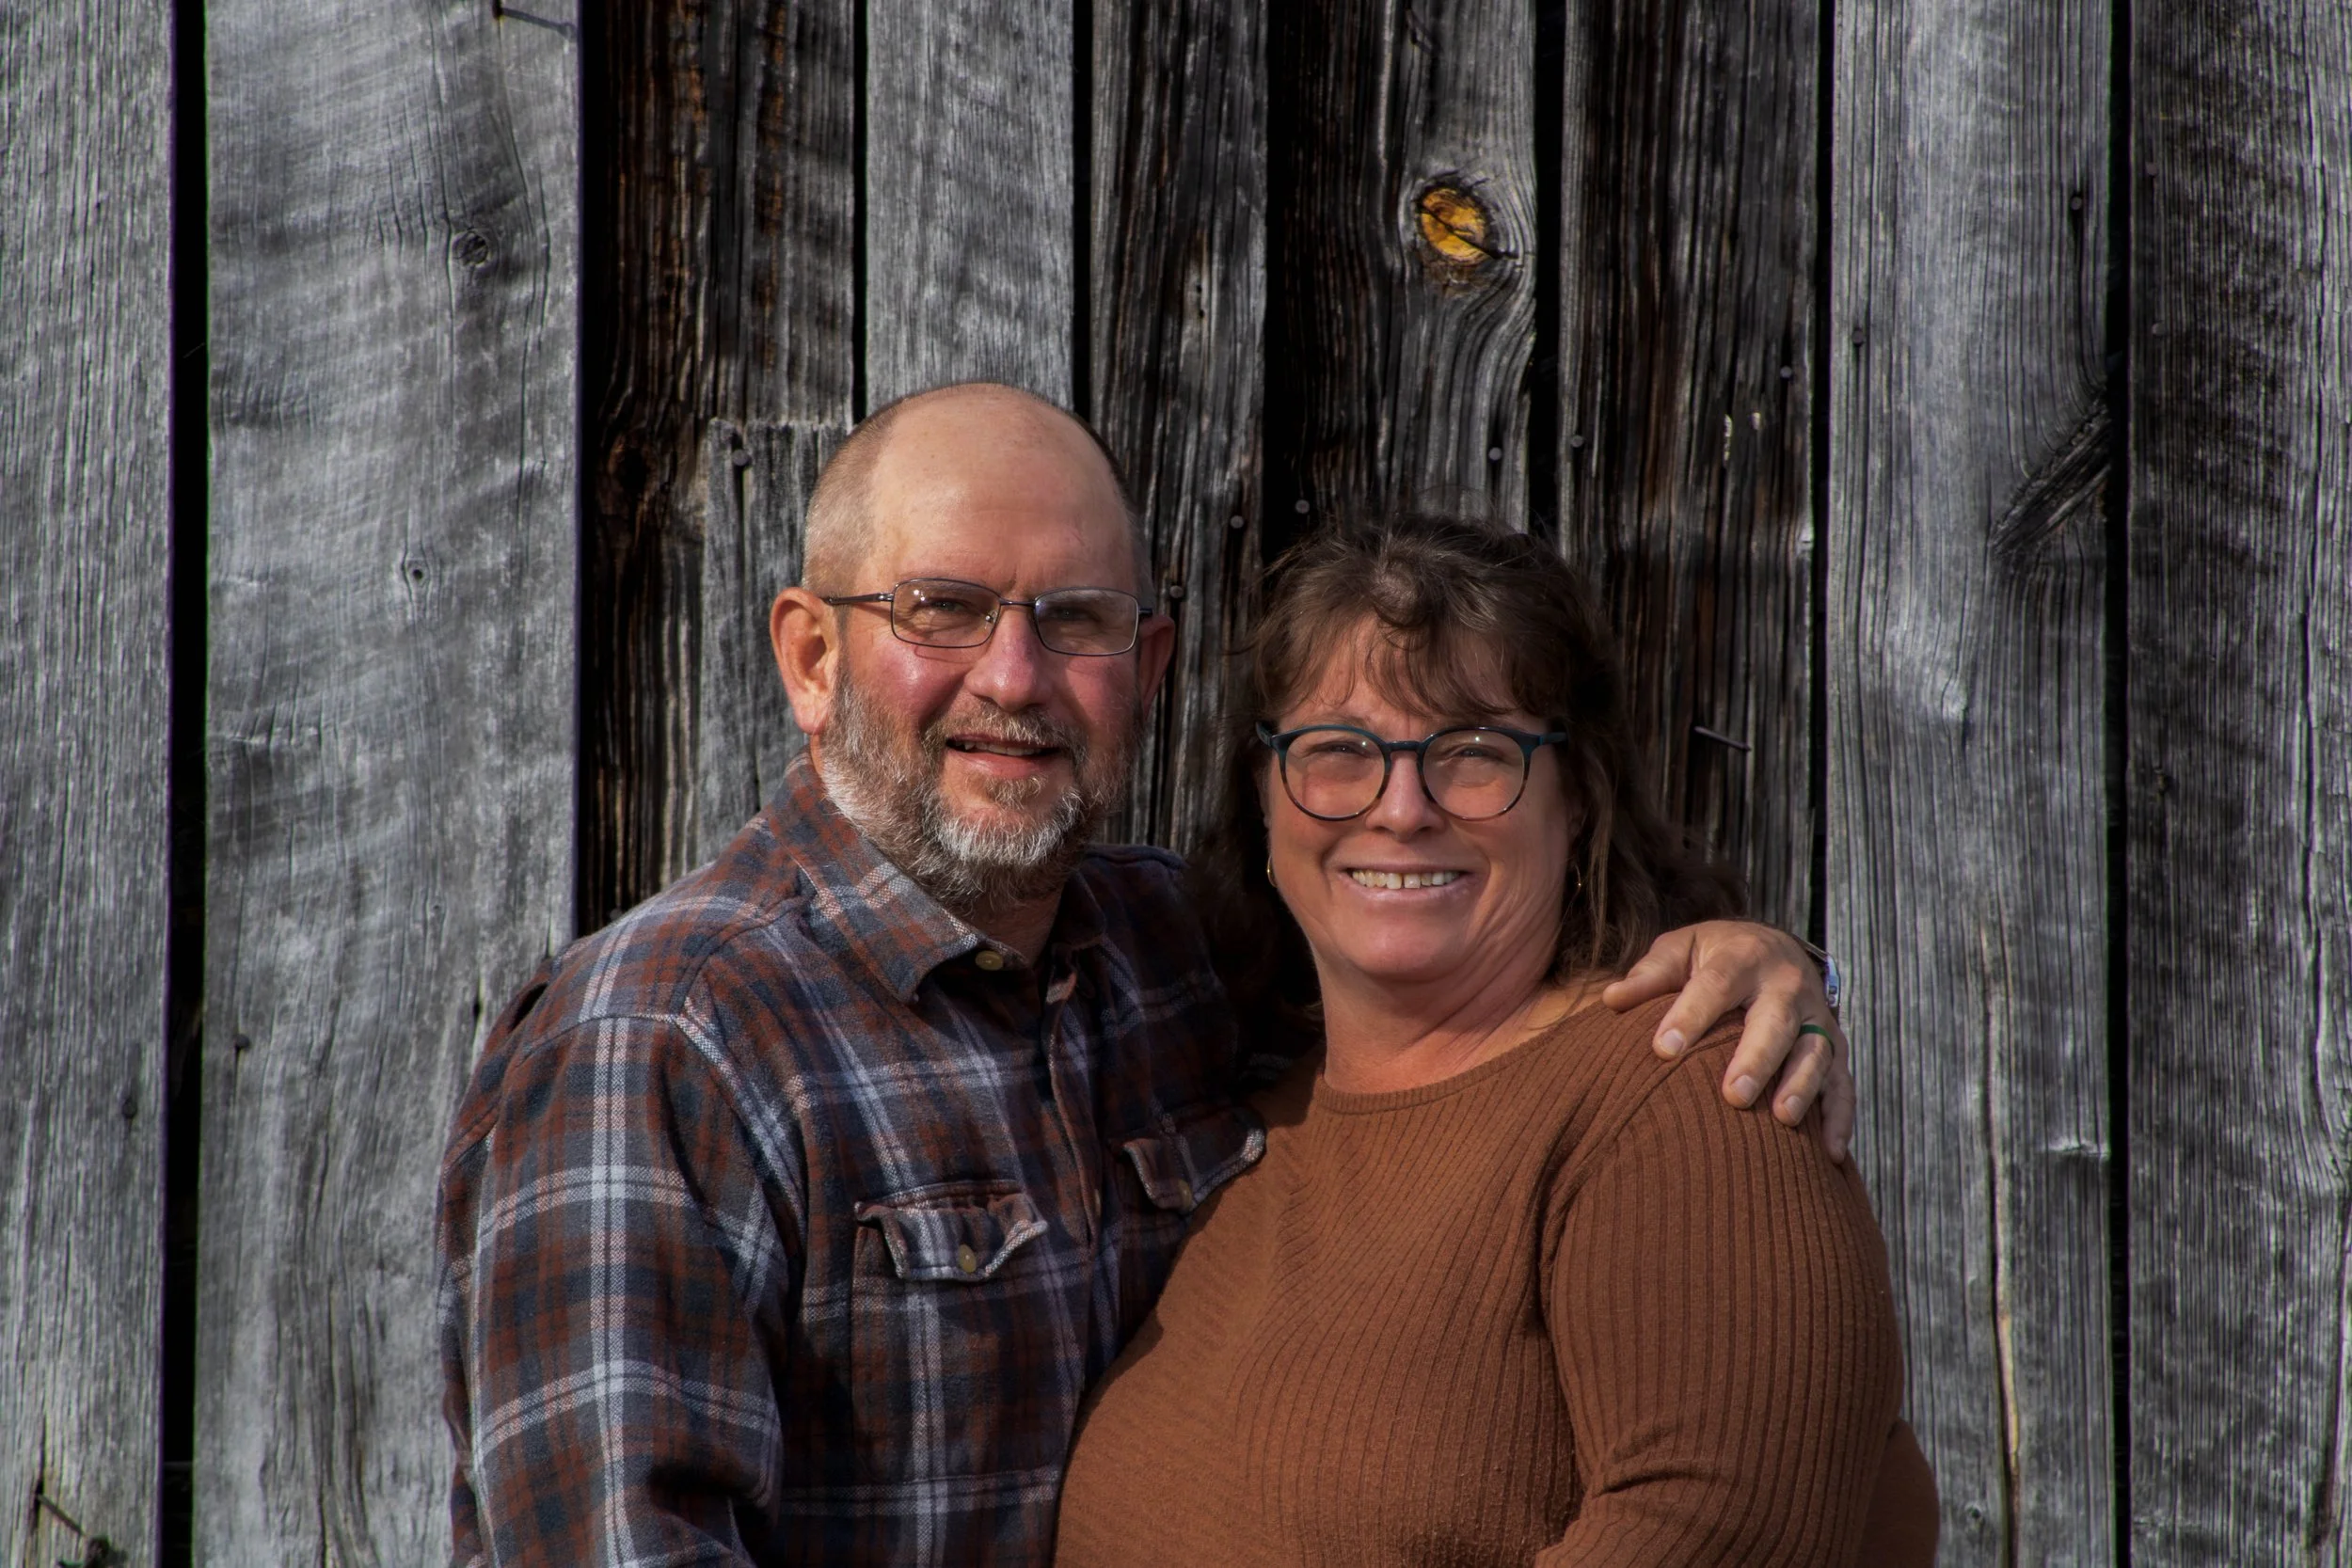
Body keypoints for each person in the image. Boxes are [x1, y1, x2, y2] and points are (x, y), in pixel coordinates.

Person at [434, 384, 1854, 1565]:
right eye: (943, 608)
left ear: (1148, 658)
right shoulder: (669, 1039)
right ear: (813, 654)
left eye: (1075, 617)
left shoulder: (1180, 950)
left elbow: (1475, 1044)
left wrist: (1765, 958)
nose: (1013, 672)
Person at [1054, 512, 1936, 1566]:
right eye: (1338, 751)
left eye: (1473, 753)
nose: (1402, 806)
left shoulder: (1684, 1093)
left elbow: (1714, 1527)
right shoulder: (1237, 1108)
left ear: (1576, 796)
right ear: (1264, 797)